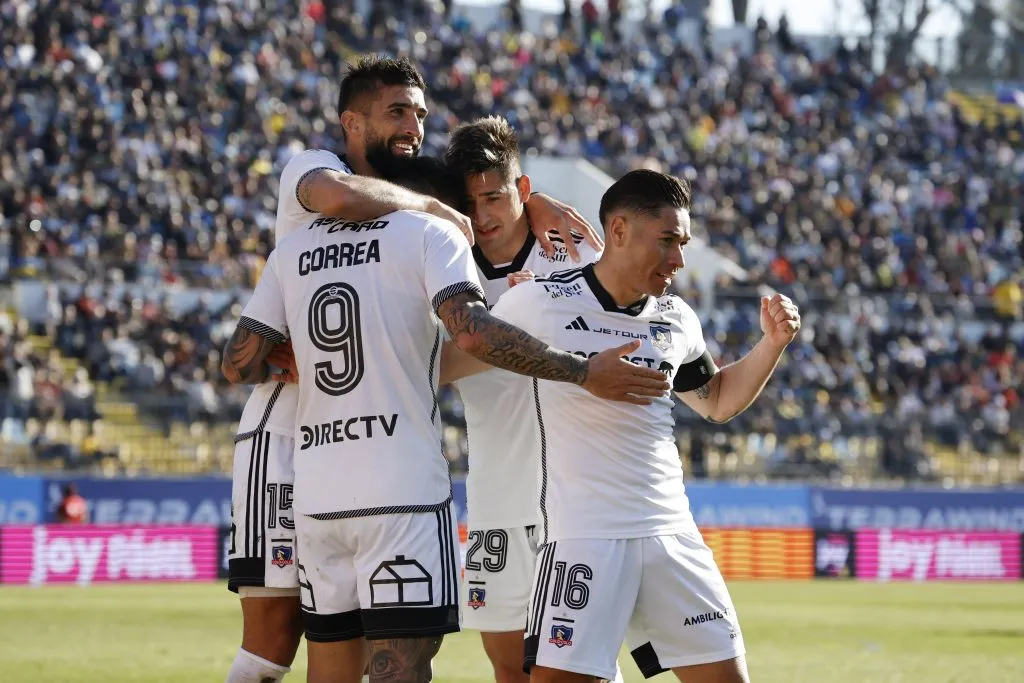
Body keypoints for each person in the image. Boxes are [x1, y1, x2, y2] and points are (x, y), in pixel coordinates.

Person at [220, 54, 602, 683]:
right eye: (398, 111)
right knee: (274, 645)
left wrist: (525, 201)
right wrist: (439, 213)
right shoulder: (316, 174)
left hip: (327, 460)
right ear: (350, 121)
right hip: (292, 438)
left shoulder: (317, 243)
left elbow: (239, 358)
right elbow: (351, 200)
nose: (414, 125)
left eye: (420, 114)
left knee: (330, 648)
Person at [446, 169, 801, 683]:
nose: (678, 259)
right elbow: (461, 352)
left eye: (682, 244)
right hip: (584, 538)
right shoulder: (541, 301)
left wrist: (771, 345)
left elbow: (718, 400)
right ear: (617, 231)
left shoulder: (677, 318)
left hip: (672, 535)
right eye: (667, 242)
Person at [440, 116, 621, 683]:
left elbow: (619, 340)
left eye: (495, 197)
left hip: (574, 502)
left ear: (522, 191)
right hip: (495, 496)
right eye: (470, 203)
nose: (483, 216)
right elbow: (436, 366)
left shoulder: (574, 256)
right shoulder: (444, 266)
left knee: (580, 668)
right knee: (508, 670)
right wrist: (511, 325)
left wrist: (525, 322)